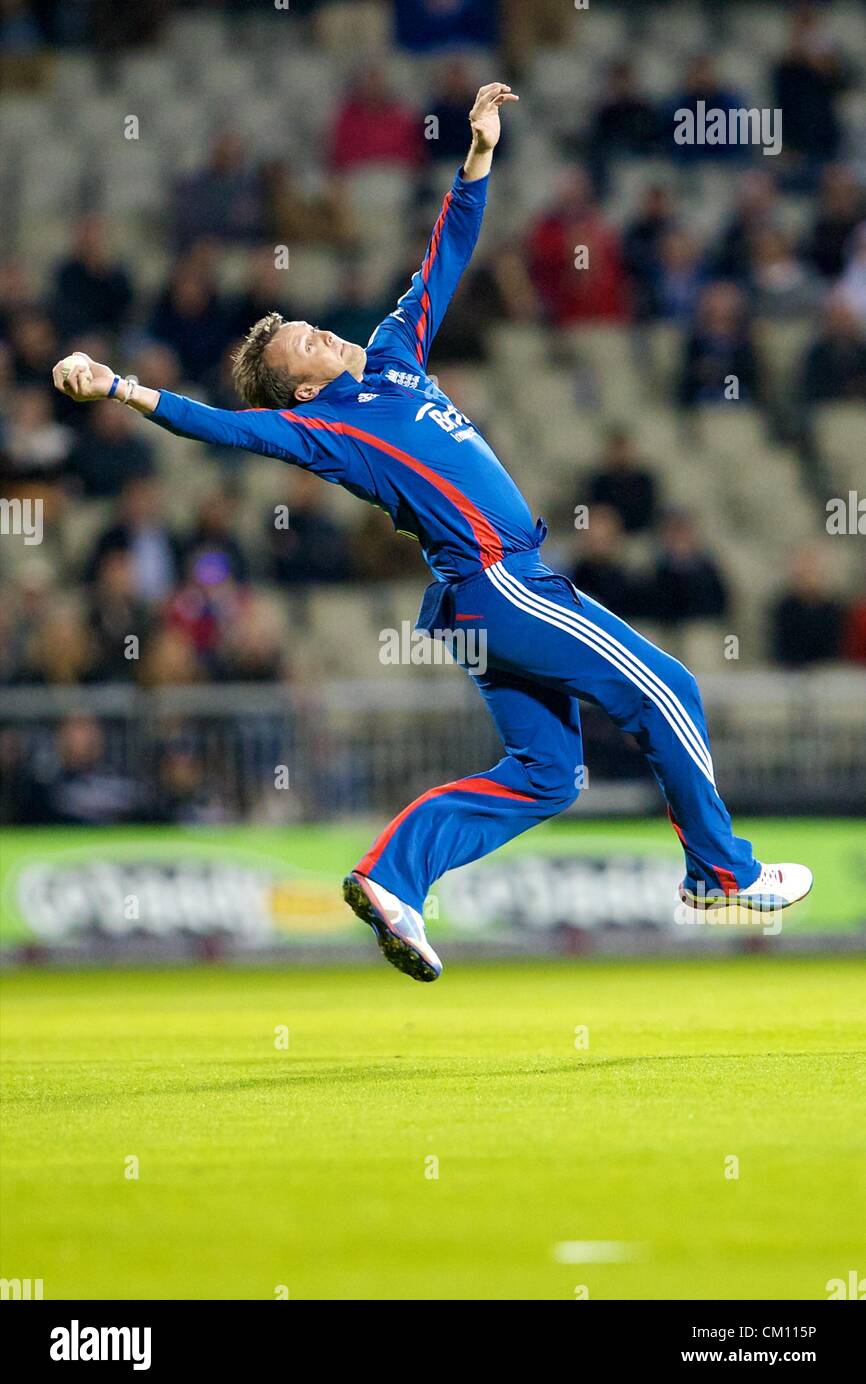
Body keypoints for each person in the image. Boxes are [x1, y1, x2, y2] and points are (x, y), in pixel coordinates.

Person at [53, 83, 813, 982]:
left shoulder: (395, 353)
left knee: (547, 774)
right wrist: (121, 388)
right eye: (297, 341)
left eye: (301, 323)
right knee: (670, 689)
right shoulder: (321, 431)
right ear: (298, 387)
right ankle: (720, 873)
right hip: (502, 580)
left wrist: (480, 155)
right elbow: (219, 425)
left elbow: (445, 252)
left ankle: (391, 881)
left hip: (478, 601)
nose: (312, 330)